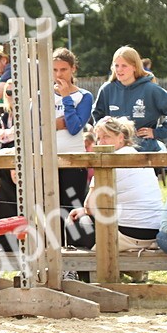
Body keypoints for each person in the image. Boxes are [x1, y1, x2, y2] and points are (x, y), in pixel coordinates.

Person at [66, 117, 163, 260]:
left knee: (72, 222)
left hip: (128, 234)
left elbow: (89, 207)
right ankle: (130, 270)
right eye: (98, 138)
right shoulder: (138, 155)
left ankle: (78, 272)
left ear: (121, 138)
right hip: (154, 232)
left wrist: (82, 211)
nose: (102, 142)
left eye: (107, 137)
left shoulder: (110, 160)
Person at [91, 46, 167, 153]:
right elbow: (97, 117)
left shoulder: (150, 89)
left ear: (135, 67)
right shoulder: (107, 89)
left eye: (124, 66)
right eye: (116, 65)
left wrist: (157, 133)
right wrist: (104, 135)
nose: (119, 69)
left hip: (144, 152)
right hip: (113, 153)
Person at [52, 48, 93, 221]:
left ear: (73, 69)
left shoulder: (84, 96)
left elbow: (75, 126)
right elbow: (32, 129)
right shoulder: (39, 96)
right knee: (50, 208)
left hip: (73, 162)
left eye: (63, 69)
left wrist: (66, 97)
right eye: (54, 70)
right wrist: (55, 125)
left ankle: (72, 244)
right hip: (48, 160)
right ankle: (53, 245)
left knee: (71, 207)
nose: (59, 74)